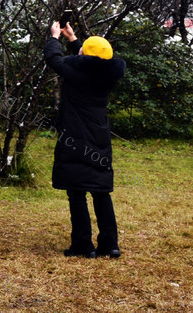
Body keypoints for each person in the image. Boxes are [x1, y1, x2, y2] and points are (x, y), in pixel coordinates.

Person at [44, 20, 126, 259]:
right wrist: (72, 39)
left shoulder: (75, 72)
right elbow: (89, 60)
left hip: (74, 139)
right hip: (99, 139)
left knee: (76, 191)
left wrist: (55, 37)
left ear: (84, 56)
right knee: (101, 192)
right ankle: (110, 244)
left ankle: (83, 244)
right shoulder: (108, 74)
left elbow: (54, 59)